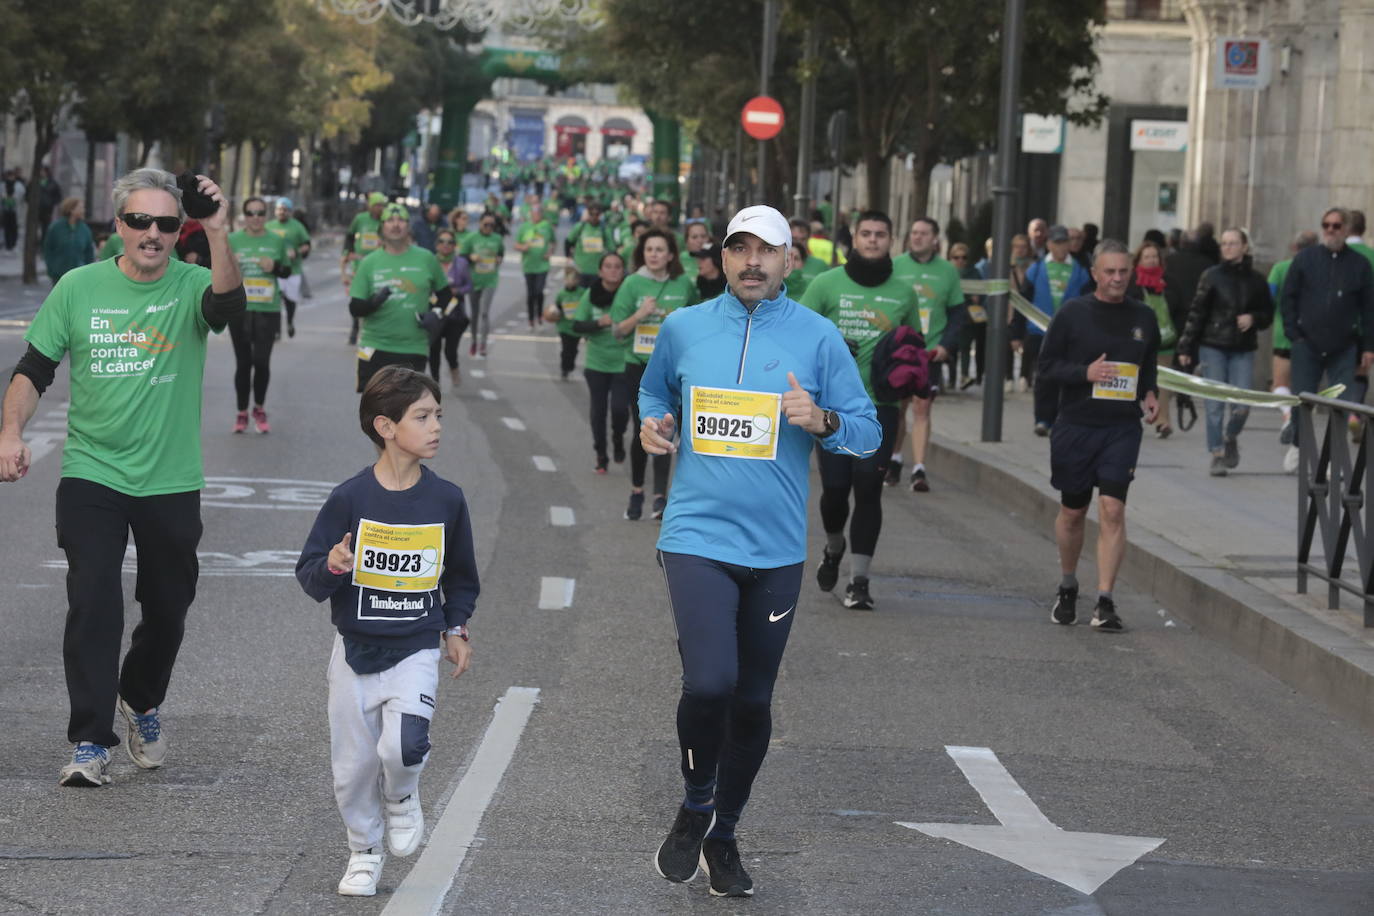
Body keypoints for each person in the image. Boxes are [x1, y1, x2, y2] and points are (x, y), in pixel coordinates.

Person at [638, 204, 880, 899]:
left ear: (789, 261)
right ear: (722, 256)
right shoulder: (685, 327)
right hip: (695, 536)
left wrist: (825, 419)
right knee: (709, 683)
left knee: (751, 702)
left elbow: (866, 433)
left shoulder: (819, 337)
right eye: (739, 249)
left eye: (766, 251)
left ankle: (724, 832)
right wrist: (653, 424)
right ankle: (695, 800)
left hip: (775, 551)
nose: (751, 262)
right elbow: (657, 390)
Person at [0, 167, 245, 786]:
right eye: (140, 221)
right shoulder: (79, 288)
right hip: (92, 473)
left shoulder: (192, 284)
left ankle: (140, 696)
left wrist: (217, 232)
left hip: (169, 479)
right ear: (119, 226)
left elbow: (228, 304)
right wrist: (10, 431)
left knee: (167, 608)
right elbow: (34, 369)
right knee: (94, 601)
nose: (153, 233)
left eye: (167, 223)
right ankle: (90, 741)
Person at [295, 366, 477, 897]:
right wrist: (332, 564)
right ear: (386, 426)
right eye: (422, 416)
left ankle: (402, 795)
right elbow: (310, 578)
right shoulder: (350, 499)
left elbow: (461, 577)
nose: (436, 426)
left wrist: (457, 628)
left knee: (403, 748)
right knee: (351, 770)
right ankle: (363, 851)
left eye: (438, 415)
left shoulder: (447, 500)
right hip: (353, 651)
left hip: (417, 646)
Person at [1039, 240, 1160, 633]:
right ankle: (1068, 583)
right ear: (1094, 274)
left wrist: (1151, 394)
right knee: (1074, 511)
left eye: (1123, 271)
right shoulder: (1073, 314)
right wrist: (1084, 374)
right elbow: (1046, 367)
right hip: (1076, 425)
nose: (1117, 279)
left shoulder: (1143, 315)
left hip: (1121, 427)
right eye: (1109, 272)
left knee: (1112, 509)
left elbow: (1149, 365)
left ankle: (1105, 600)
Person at [801, 210, 920, 609]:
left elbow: (911, 346)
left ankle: (860, 580)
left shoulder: (904, 292)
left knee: (869, 487)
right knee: (835, 491)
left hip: (880, 406)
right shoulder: (825, 283)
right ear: (854, 238)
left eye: (880, 234)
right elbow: (796, 336)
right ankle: (834, 546)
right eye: (866, 234)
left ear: (891, 240)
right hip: (832, 409)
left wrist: (912, 371)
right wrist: (830, 343)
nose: (872, 240)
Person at [1279, 207, 1374, 471]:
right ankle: (1298, 446)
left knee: (1340, 402)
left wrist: (1368, 346)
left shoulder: (1359, 265)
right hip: (1306, 342)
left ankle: (1334, 455)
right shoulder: (1305, 259)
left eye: (1336, 225)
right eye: (1326, 225)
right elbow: (1288, 298)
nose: (1330, 230)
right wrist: (1293, 334)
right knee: (1303, 399)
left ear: (1345, 229)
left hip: (1344, 345)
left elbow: (1368, 309)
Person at [611, 228, 697, 520]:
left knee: (666, 429)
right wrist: (640, 314)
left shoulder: (684, 283)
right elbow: (617, 331)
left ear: (671, 254)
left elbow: (698, 322)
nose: (655, 255)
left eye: (660, 250)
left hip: (673, 370)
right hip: (638, 366)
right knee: (643, 429)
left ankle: (660, 496)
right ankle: (637, 491)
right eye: (650, 250)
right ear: (642, 254)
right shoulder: (631, 284)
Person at [1174, 228, 1272, 474]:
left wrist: (1254, 318)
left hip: (1243, 347)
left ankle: (1231, 437)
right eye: (1224, 243)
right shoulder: (1211, 276)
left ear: (1244, 247)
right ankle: (1216, 453)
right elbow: (1197, 313)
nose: (1227, 247)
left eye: (1233, 243)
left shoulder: (1257, 280)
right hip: (1212, 345)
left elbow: (1268, 313)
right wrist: (1186, 346)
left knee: (1242, 404)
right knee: (1215, 403)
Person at [889, 217, 965, 492]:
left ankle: (919, 469)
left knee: (923, 407)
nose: (917, 237)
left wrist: (946, 345)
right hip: (900, 351)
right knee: (899, 407)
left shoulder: (947, 271)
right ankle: (895, 457)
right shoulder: (896, 266)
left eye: (923, 233)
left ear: (935, 239)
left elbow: (958, 313)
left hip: (929, 352)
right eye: (914, 232)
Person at [349, 203, 454, 392]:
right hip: (374, 346)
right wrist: (374, 302)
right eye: (390, 220)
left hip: (413, 347)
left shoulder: (426, 258)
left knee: (404, 415)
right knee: (374, 414)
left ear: (408, 227)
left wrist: (437, 313)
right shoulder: (369, 263)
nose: (396, 225)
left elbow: (446, 294)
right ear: (381, 227)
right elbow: (354, 307)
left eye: (401, 220)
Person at [1016, 225, 1090, 434]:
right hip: (1039, 331)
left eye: (1064, 242)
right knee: (1043, 377)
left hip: (1070, 334)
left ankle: (1062, 417)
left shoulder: (1080, 271)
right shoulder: (1036, 269)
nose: (1060, 247)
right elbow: (1024, 301)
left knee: (1067, 376)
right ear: (1048, 244)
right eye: (1056, 243)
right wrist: (1017, 334)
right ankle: (1042, 419)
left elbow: (1087, 301)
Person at [227, 197, 292, 434]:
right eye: (251, 213)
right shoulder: (232, 240)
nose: (256, 217)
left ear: (266, 215)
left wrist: (274, 267)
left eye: (260, 213)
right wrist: (232, 265)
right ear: (245, 216)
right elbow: (219, 273)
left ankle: (260, 408)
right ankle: (242, 411)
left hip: (268, 310)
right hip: (240, 310)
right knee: (243, 364)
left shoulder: (276, 240)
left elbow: (287, 271)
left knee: (262, 363)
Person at [571, 252, 629, 471]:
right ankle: (601, 454)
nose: (613, 270)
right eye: (608, 266)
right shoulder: (590, 294)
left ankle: (617, 438)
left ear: (623, 271)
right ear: (600, 271)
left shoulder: (629, 294)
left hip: (623, 361)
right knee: (599, 411)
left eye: (617, 266)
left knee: (620, 410)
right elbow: (577, 326)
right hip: (597, 363)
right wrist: (598, 323)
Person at [1126, 240, 1183, 437]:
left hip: (1165, 342)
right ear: (1139, 260)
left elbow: (1181, 309)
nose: (1151, 260)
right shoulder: (1131, 282)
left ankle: (1163, 421)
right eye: (1147, 257)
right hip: (1138, 342)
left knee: (1164, 383)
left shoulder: (1170, 282)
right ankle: (1132, 414)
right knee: (1136, 379)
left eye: (1154, 256)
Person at [1268, 230, 1319, 446]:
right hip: (1312, 335)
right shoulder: (1319, 269)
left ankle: (1289, 416)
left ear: (1293, 247)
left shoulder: (1280, 268)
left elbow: (1268, 296)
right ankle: (1301, 422)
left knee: (1280, 384)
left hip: (1283, 335)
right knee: (1306, 387)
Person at [344, 192, 387, 345]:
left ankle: (373, 326)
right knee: (358, 296)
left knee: (376, 296)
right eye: (377, 205)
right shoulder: (360, 219)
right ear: (370, 206)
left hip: (379, 263)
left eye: (382, 205)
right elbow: (349, 236)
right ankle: (355, 327)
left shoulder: (385, 221)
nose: (380, 208)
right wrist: (348, 253)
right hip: (360, 263)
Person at [459, 212, 504, 358]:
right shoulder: (471, 238)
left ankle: (483, 343)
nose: (489, 227)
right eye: (486, 224)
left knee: (484, 312)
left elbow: (501, 254)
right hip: (474, 281)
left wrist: (499, 259)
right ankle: (473, 341)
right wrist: (471, 257)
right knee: (474, 314)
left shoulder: (497, 238)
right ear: (480, 223)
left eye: (492, 225)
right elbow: (461, 255)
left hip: (490, 280)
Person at [430, 229, 471, 388]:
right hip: (435, 311)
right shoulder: (430, 261)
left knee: (450, 350)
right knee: (434, 348)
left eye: (450, 242)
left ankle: (454, 368)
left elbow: (469, 285)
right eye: (442, 241)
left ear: (455, 245)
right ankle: (434, 381)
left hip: (456, 313)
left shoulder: (461, 263)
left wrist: (457, 291)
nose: (445, 245)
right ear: (436, 245)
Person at [267, 197, 311, 338]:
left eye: (285, 210)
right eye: (279, 209)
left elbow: (307, 245)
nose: (281, 212)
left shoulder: (297, 226)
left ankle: (290, 321)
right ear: (275, 211)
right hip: (276, 270)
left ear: (290, 212)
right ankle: (276, 330)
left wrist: (296, 252)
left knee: (290, 299)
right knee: (276, 298)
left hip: (293, 270)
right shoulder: (269, 226)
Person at [948, 242, 986, 388]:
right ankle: (951, 379)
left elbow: (978, 296)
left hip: (968, 316)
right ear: (951, 258)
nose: (960, 261)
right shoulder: (947, 272)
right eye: (956, 257)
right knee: (951, 347)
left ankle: (964, 376)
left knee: (965, 347)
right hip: (950, 315)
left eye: (964, 257)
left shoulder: (974, 272)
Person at [514, 201, 555, 330]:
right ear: (530, 214)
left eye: (538, 212)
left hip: (542, 265)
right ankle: (531, 320)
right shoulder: (524, 227)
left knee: (539, 291)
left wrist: (550, 251)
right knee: (530, 294)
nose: (536, 215)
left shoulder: (546, 226)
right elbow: (516, 245)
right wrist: (523, 247)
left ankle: (540, 317)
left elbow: (553, 242)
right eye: (534, 212)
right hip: (528, 265)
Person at [42, 197, 96, 284]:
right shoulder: (56, 228)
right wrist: (52, 269)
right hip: (59, 276)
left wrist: (87, 271)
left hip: (78, 276)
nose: (83, 210)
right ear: (72, 210)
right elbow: (47, 249)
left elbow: (89, 252)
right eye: (81, 208)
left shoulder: (85, 229)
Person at [545, 265, 584, 380]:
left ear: (577, 280)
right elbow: (557, 307)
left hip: (576, 328)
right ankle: (564, 368)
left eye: (573, 279)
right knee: (566, 349)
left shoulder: (582, 293)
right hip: (564, 327)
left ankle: (570, 366)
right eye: (567, 279)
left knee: (574, 349)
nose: (570, 282)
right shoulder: (562, 294)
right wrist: (553, 313)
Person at [568, 202, 613, 287]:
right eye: (591, 214)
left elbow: (611, 250)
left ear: (600, 215)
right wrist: (569, 258)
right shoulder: (580, 227)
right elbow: (568, 242)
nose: (594, 217)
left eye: (597, 214)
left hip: (597, 272)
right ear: (588, 214)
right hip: (580, 270)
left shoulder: (605, 229)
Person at [1, 169, 22, 250]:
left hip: (14, 210)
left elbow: (21, 196)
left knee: (13, 228)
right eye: (9, 176)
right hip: (6, 209)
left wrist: (13, 198)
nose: (10, 178)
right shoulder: (3, 185)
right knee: (7, 228)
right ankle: (8, 244)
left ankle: (13, 243)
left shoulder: (18, 185)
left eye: (11, 176)